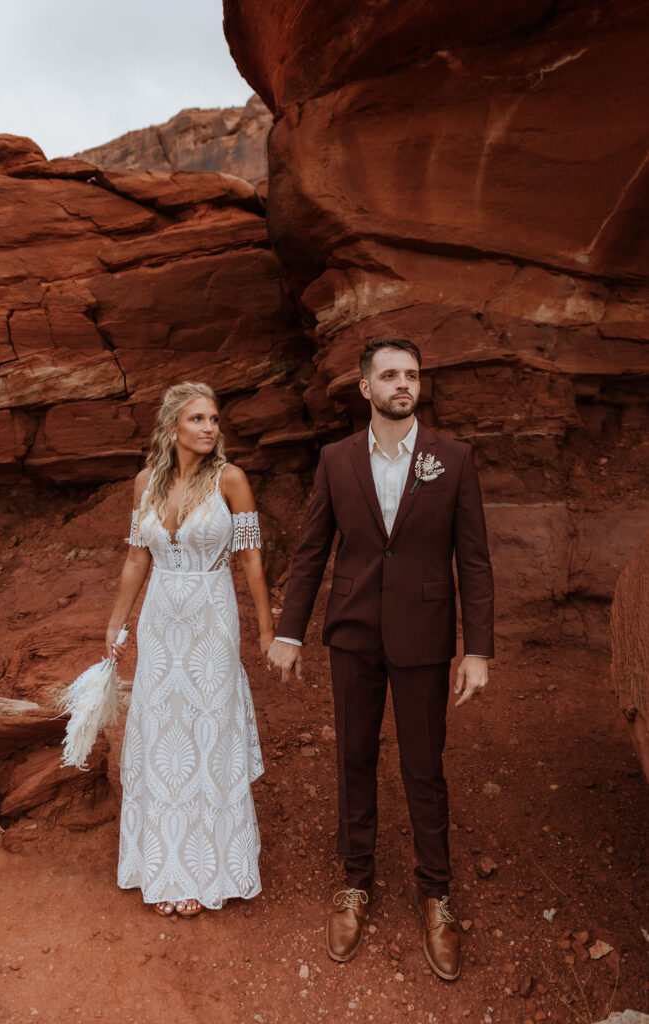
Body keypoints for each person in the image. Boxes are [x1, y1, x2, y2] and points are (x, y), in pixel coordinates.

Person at [267, 338, 494, 980]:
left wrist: (477, 650)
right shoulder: (335, 460)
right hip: (353, 633)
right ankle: (355, 883)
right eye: (389, 375)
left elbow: (473, 561)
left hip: (425, 636)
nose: (403, 384)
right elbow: (312, 551)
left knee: (425, 766)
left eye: (412, 375)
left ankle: (436, 894)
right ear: (364, 388)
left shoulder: (453, 459)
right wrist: (289, 632)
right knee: (353, 759)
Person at [106, 381, 274, 918]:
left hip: (211, 617)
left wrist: (268, 632)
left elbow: (250, 560)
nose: (210, 428)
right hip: (160, 620)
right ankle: (163, 864)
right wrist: (116, 623)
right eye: (198, 419)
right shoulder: (145, 484)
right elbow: (137, 559)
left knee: (208, 731)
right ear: (172, 426)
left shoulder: (232, 480)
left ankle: (210, 868)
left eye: (214, 419)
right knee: (162, 733)